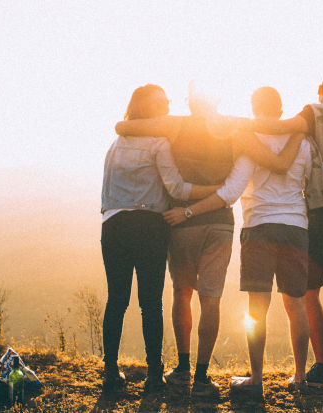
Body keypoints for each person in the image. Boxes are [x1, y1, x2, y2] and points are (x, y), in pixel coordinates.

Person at [163, 87, 323, 397]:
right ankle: (301, 377)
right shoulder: (303, 143)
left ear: (253, 108)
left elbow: (230, 192)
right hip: (296, 230)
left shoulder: (249, 142)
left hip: (258, 228)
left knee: (257, 309)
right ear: (280, 111)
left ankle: (256, 379)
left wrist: (189, 210)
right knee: (296, 306)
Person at [115, 81, 304, 396]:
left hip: (181, 221)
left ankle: (182, 368)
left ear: (191, 103)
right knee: (211, 299)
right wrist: (298, 130)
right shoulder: (234, 128)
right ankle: (202, 377)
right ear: (217, 100)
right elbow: (277, 162)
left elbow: (124, 126)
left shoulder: (175, 125)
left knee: (182, 293)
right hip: (219, 223)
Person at [237, 71, 323, 388]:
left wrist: (235, 124)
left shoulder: (315, 112)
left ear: (319, 89)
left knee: (308, 293)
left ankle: (320, 365)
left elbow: (282, 128)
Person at [100, 84, 222, 393]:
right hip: (149, 227)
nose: (167, 106)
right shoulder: (158, 143)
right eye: (160, 102)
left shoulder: (116, 144)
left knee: (116, 299)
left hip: (113, 225)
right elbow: (178, 190)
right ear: (145, 108)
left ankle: (110, 372)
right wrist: (217, 191)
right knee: (150, 302)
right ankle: (155, 374)